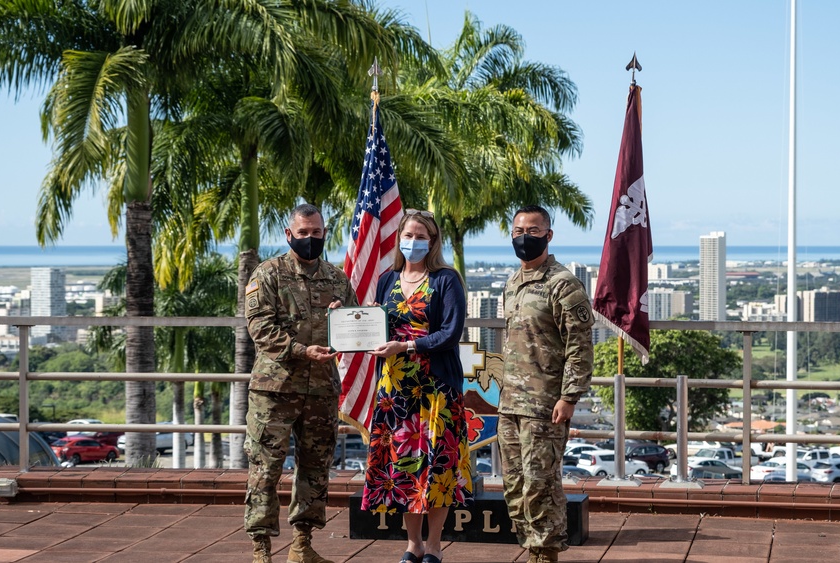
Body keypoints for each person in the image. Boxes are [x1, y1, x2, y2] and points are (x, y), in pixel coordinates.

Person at [243, 203, 358, 563]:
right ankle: (261, 550)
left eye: (317, 232)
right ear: (289, 235)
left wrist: (347, 319)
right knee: (265, 468)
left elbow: (355, 328)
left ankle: (302, 545)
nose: (311, 239)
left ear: (325, 233)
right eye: (303, 233)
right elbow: (260, 328)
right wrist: (300, 349)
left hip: (321, 388)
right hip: (275, 389)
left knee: (315, 468)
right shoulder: (269, 274)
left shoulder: (338, 279)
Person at [361, 209, 472, 563]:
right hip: (396, 392)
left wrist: (407, 346)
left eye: (421, 236)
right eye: (408, 235)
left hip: (436, 390)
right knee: (404, 467)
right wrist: (350, 319)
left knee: (437, 467)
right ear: (398, 239)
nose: (413, 242)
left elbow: (450, 333)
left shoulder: (445, 279)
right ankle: (413, 544)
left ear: (433, 241)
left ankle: (435, 544)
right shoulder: (387, 279)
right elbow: (376, 324)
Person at [498, 205, 594, 563]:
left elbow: (580, 347)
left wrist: (569, 396)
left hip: (544, 404)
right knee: (514, 486)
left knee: (541, 485)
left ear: (549, 235)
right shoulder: (513, 282)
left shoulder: (563, 284)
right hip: (510, 405)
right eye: (519, 231)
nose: (525, 237)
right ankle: (531, 548)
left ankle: (546, 555)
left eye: (534, 230)